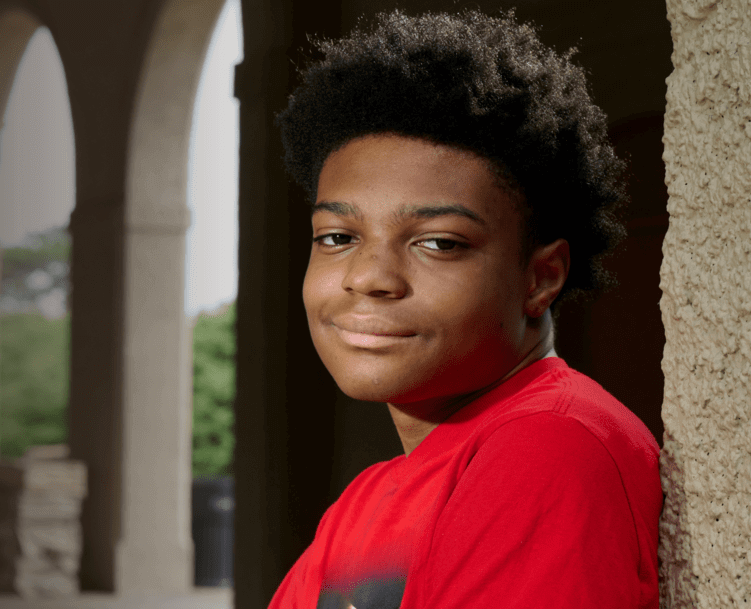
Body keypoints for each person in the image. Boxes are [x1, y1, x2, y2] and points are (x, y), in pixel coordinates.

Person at [269, 9, 662, 609]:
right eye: (337, 237)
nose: (368, 278)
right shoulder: (372, 498)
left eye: (439, 243)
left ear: (541, 278)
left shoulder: (549, 448)